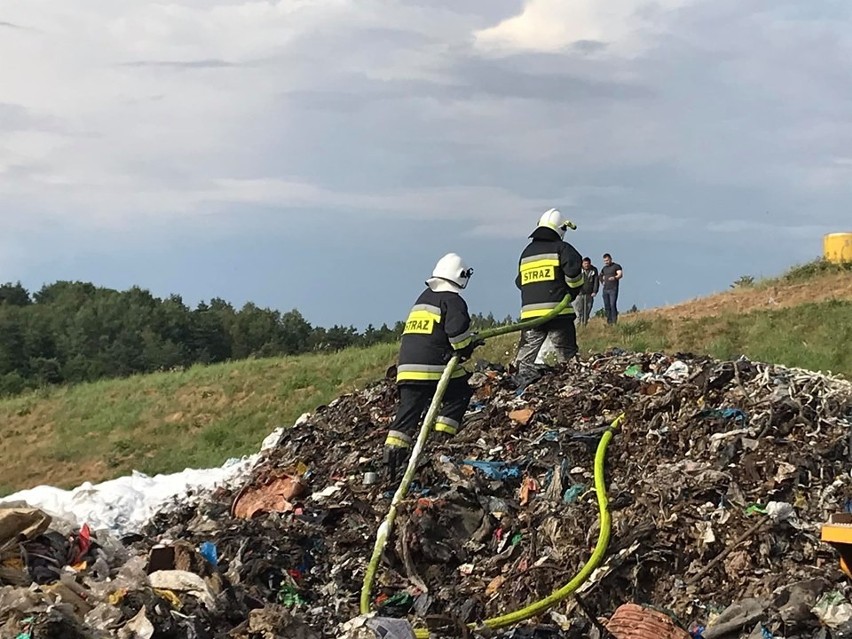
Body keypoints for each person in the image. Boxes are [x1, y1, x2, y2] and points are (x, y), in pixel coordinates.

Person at [383, 253, 483, 482]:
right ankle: (441, 441)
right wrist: (469, 345)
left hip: (406, 368)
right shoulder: (453, 300)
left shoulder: (423, 299)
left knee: (408, 411)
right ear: (460, 276)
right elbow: (458, 338)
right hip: (433, 367)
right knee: (459, 393)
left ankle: (390, 459)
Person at [512, 209, 584, 388]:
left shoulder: (526, 253)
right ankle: (570, 388)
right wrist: (572, 291)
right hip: (558, 313)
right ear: (560, 229)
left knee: (525, 358)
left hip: (530, 317)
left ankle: (519, 387)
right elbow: (574, 276)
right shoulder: (562, 248)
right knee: (567, 358)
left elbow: (519, 282)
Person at [574, 257, 599, 326]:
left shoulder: (594, 270)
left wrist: (595, 291)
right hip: (579, 294)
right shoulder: (578, 270)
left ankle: (584, 326)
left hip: (589, 294)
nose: (586, 265)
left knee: (587, 311)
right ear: (582, 263)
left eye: (587, 264)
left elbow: (596, 281)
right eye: (585, 264)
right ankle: (578, 326)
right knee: (578, 311)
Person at [600, 253, 624, 325]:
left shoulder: (616, 266)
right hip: (605, 289)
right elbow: (600, 276)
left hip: (613, 289)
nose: (606, 262)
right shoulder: (604, 268)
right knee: (607, 306)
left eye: (607, 260)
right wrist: (602, 281)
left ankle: (614, 321)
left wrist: (615, 278)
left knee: (612, 304)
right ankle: (609, 322)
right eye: (605, 261)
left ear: (610, 259)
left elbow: (620, 274)